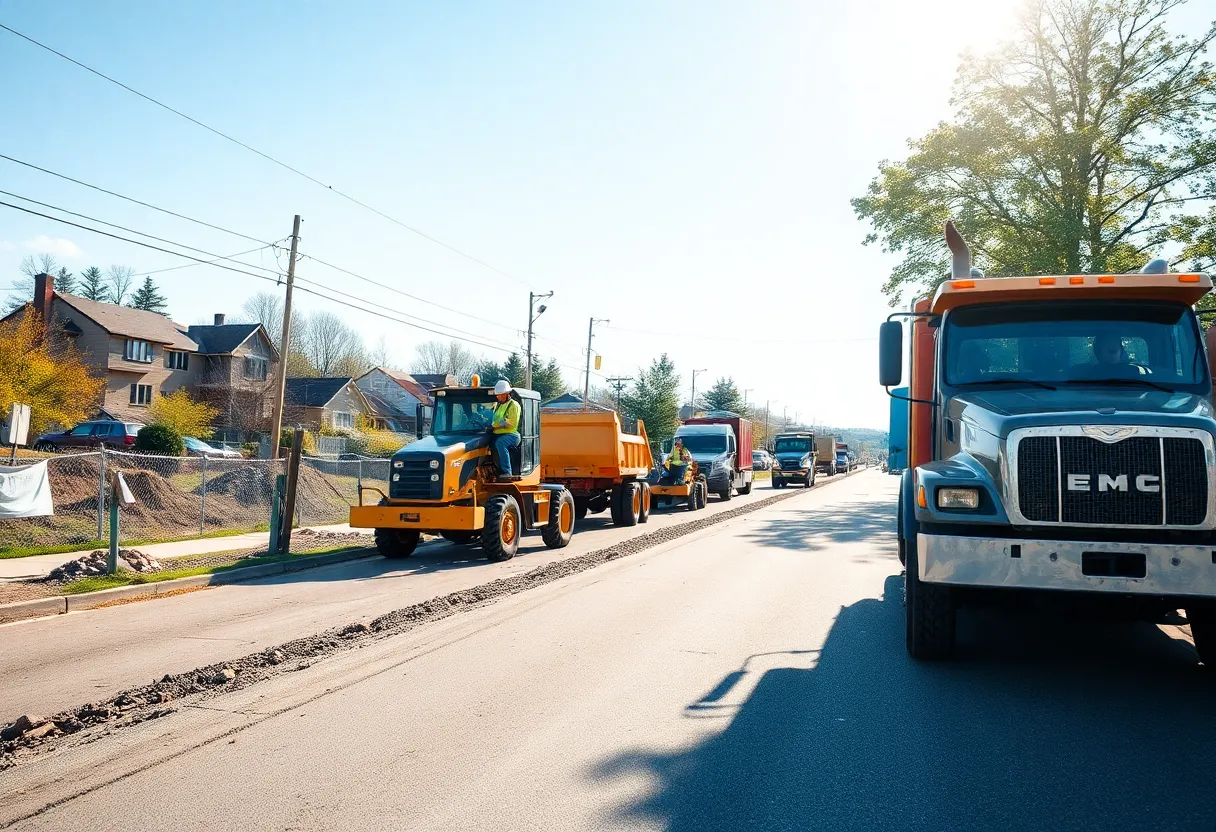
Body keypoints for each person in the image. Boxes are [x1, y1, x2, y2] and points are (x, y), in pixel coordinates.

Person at [489, 380, 522, 479]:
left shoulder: (514, 405)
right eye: (497, 395)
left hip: (511, 435)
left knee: (500, 443)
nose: (498, 397)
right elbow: (493, 419)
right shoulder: (499, 406)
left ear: (507, 394)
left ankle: (507, 472)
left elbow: (511, 422)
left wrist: (494, 425)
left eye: (500, 395)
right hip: (497, 434)